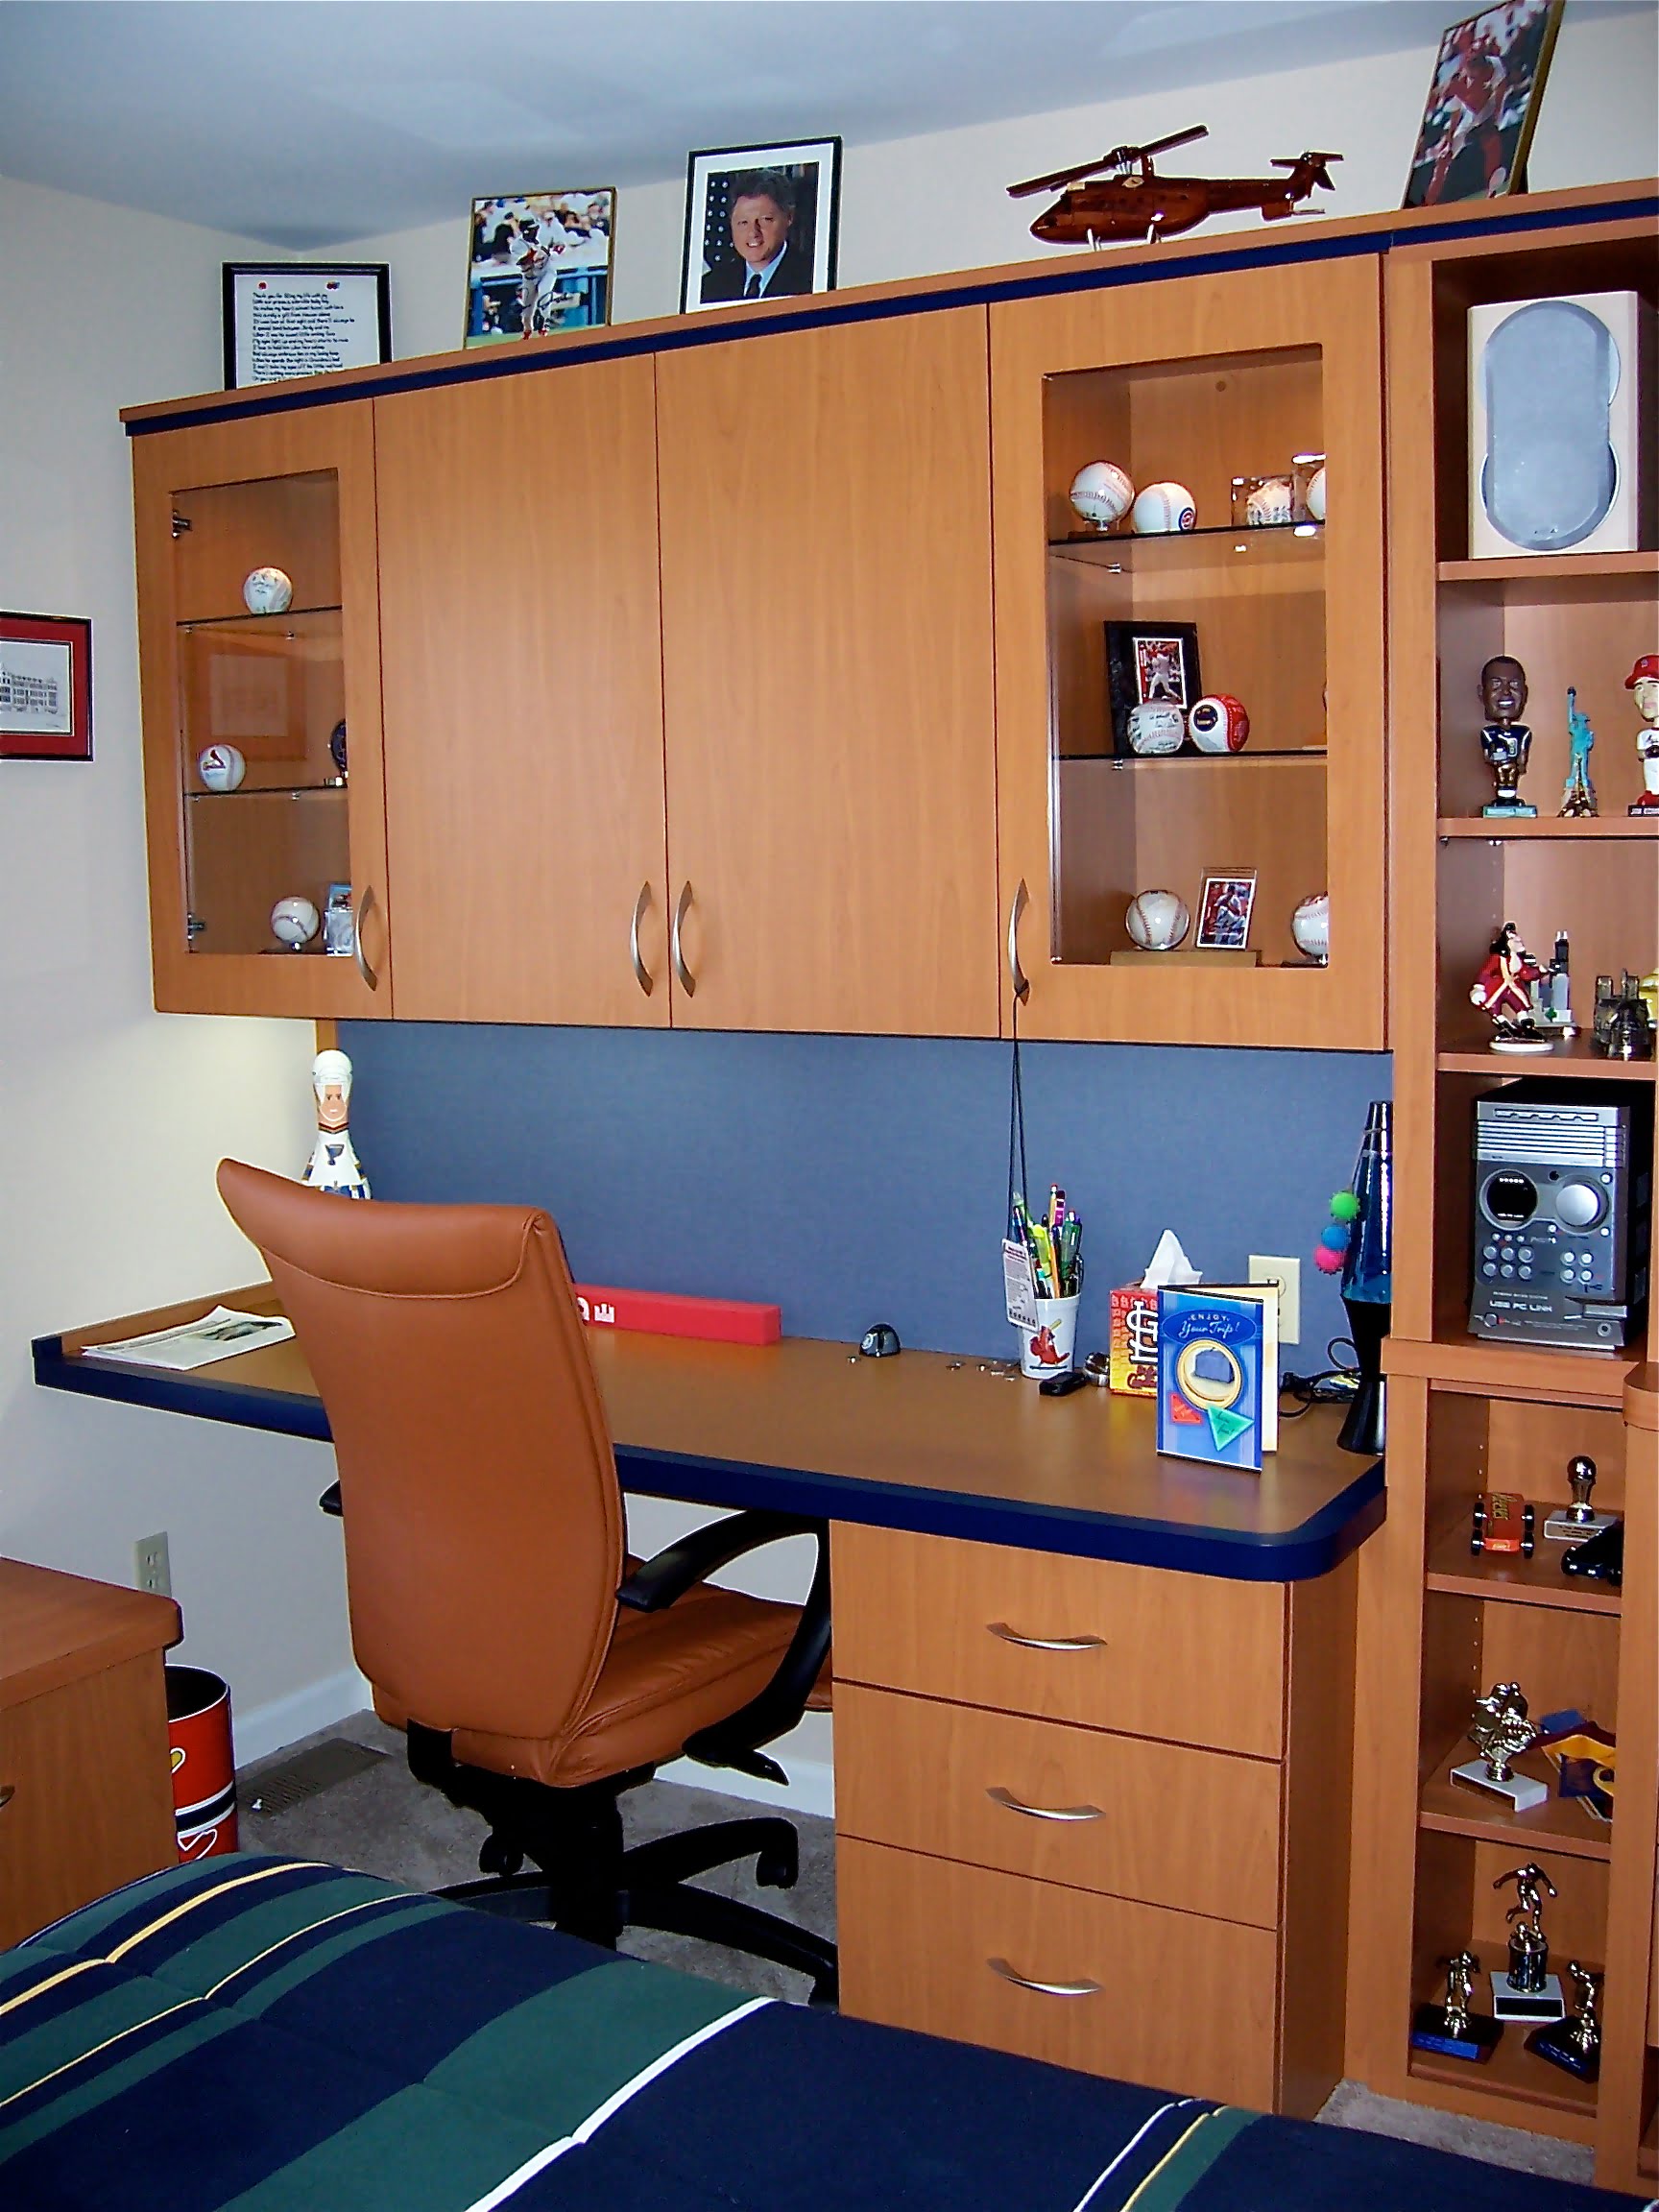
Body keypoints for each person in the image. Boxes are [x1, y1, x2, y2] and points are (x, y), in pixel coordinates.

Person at [700, 171, 813, 302]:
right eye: (743, 222)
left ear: (789, 217)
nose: (753, 233)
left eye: (765, 220)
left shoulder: (811, 278)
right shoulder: (710, 285)